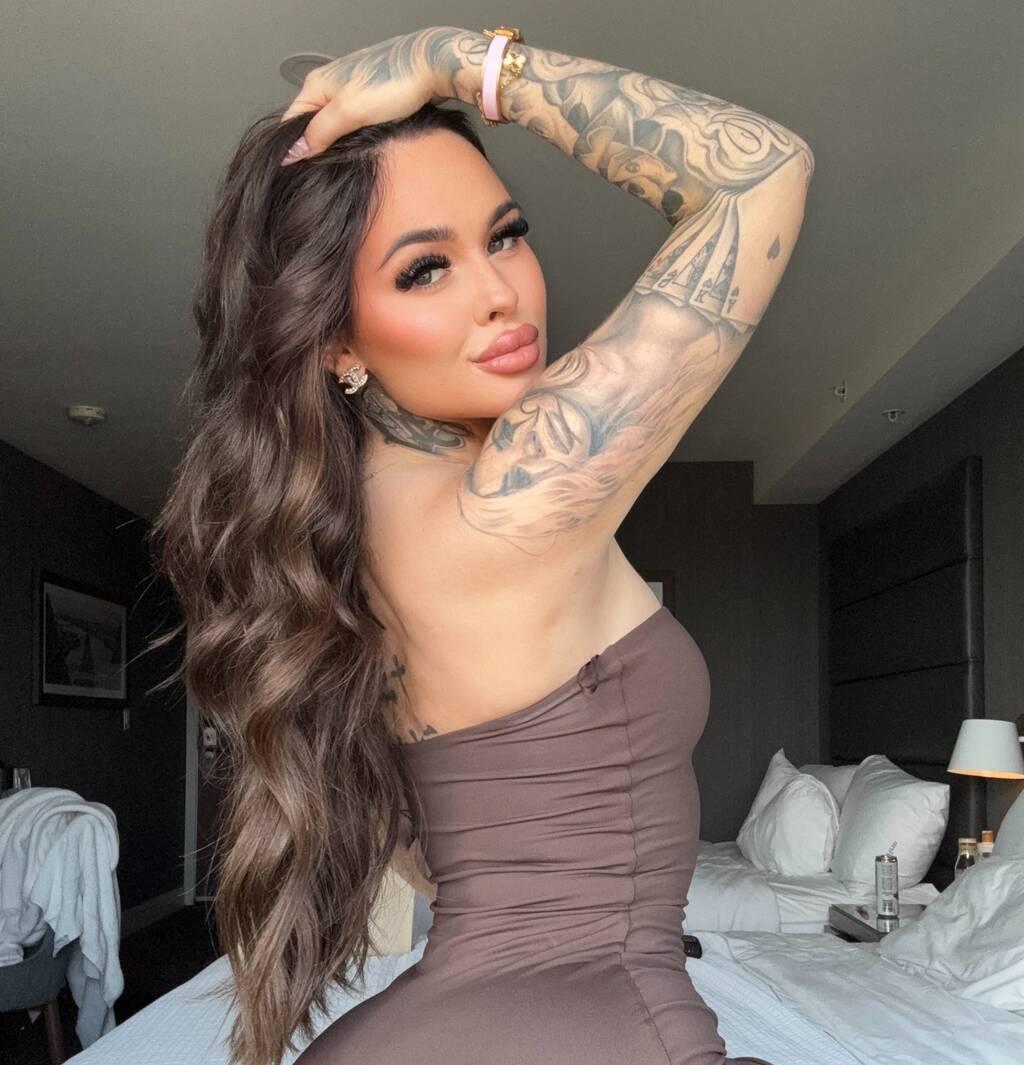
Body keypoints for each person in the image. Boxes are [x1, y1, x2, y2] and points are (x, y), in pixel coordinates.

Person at [150, 23, 813, 1065]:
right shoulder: (511, 498)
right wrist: (459, 60)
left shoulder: (345, 540)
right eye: (424, 271)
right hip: (602, 1022)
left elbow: (425, 842)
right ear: (333, 338)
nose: (500, 291)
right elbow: (762, 174)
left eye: (505, 235)